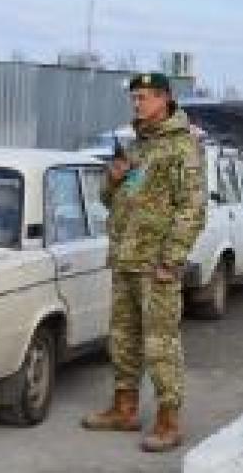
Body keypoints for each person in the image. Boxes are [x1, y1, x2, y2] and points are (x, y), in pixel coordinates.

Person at [81, 72, 206, 453]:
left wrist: (172, 259)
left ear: (165, 99)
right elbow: (109, 199)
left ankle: (169, 419)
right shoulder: (137, 146)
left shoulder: (182, 147)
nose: (137, 104)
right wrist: (112, 179)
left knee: (160, 343)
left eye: (145, 98)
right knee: (122, 338)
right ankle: (125, 407)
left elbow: (193, 208)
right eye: (134, 98)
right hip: (126, 259)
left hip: (157, 264)